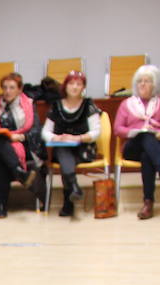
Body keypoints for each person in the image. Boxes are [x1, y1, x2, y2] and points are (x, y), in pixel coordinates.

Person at [113, 64, 160, 220]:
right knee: (145, 135)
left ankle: (148, 203)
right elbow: (117, 128)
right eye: (139, 81)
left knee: (147, 155)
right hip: (133, 146)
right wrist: (133, 132)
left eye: (147, 81)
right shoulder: (127, 104)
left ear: (155, 84)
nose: (142, 84)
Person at [0, 72, 38, 218]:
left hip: (21, 146)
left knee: (2, 161)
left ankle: (1, 204)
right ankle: (19, 173)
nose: (7, 91)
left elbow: (35, 130)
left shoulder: (28, 104)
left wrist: (21, 136)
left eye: (11, 87)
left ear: (19, 89)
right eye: (5, 88)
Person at [41, 70, 102, 217]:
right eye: (71, 83)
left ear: (83, 88)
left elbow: (96, 132)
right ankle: (73, 187)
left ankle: (69, 202)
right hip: (62, 147)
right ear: (65, 86)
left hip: (83, 148)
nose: (75, 87)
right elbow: (45, 132)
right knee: (63, 152)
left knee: (65, 159)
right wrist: (57, 138)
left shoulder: (89, 105)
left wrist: (78, 138)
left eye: (79, 84)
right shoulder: (56, 106)